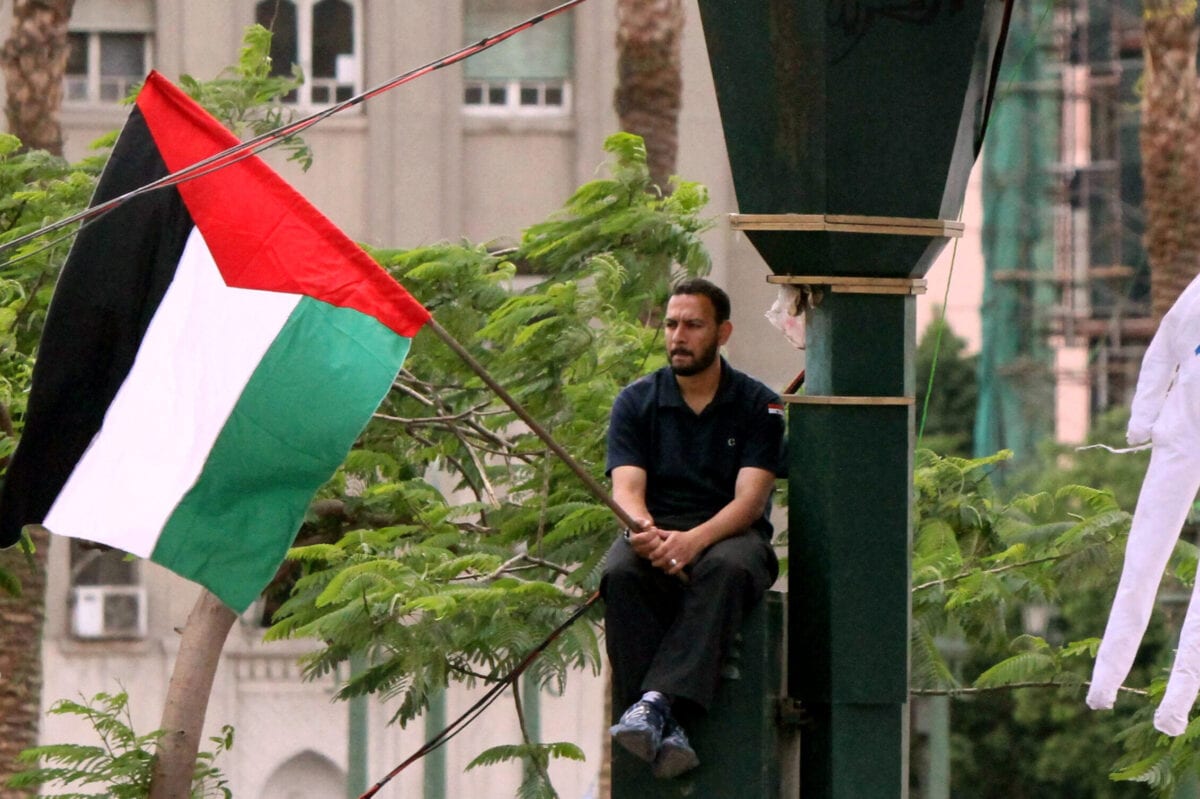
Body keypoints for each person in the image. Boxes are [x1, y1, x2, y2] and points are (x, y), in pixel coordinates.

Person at [601, 277, 784, 778]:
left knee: (727, 569)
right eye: (671, 324)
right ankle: (663, 721)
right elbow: (626, 488)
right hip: (656, 531)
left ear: (723, 333)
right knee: (620, 573)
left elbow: (750, 502)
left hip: (730, 534)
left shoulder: (761, 405)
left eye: (693, 325)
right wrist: (642, 529)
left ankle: (654, 703)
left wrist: (692, 542)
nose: (678, 336)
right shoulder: (634, 401)